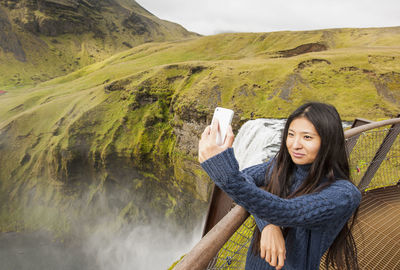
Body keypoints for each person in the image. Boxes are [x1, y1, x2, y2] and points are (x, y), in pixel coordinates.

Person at [198, 102, 361, 270]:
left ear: (329, 141)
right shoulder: (282, 166)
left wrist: (222, 168)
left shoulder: (344, 194)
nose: (295, 144)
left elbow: (289, 211)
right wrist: (269, 225)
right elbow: (246, 177)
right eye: (291, 134)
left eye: (307, 137)